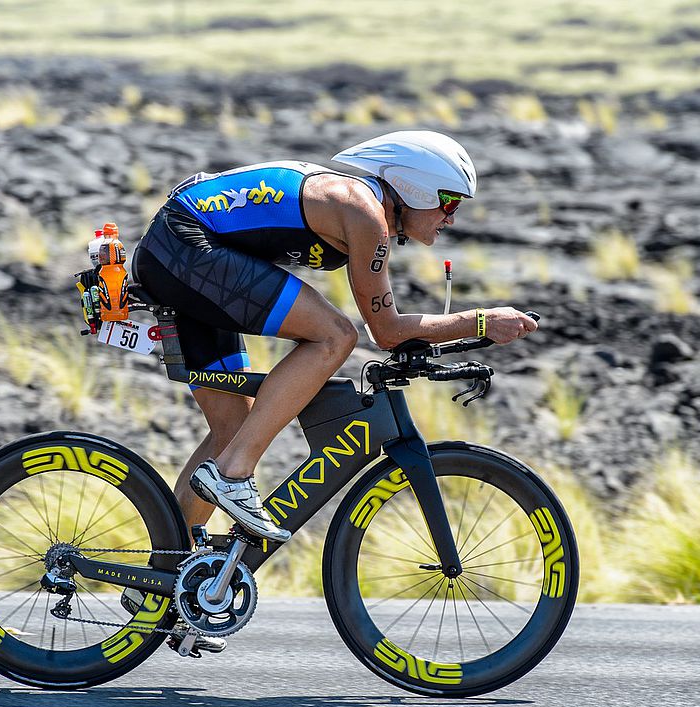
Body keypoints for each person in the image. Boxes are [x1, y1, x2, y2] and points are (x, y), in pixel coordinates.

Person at [124, 131, 538, 653]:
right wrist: (479, 322)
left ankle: (167, 588)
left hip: (180, 247)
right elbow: (383, 332)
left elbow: (390, 323)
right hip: (188, 244)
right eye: (448, 202)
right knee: (333, 335)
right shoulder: (363, 212)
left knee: (233, 426)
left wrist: (451, 332)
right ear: (413, 187)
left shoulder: (364, 209)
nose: (451, 217)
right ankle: (234, 476)